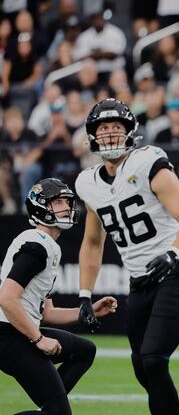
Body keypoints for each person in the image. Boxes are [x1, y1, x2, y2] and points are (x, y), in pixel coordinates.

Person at [74, 98, 179, 415]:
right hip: (140, 283)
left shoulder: (148, 162)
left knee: (152, 358)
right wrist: (84, 295)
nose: (109, 134)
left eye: (116, 128)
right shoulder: (88, 183)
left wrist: (173, 254)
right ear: (93, 135)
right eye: (103, 128)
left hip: (176, 273)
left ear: (130, 132)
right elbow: (93, 242)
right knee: (141, 365)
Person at [0, 178, 117, 415]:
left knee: (85, 351)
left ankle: (51, 406)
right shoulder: (37, 246)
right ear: (40, 207)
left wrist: (88, 310)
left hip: (17, 329)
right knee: (58, 412)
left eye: (67, 201)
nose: (66, 207)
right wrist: (38, 339)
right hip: (8, 335)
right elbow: (6, 299)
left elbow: (47, 313)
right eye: (59, 202)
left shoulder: (47, 245)